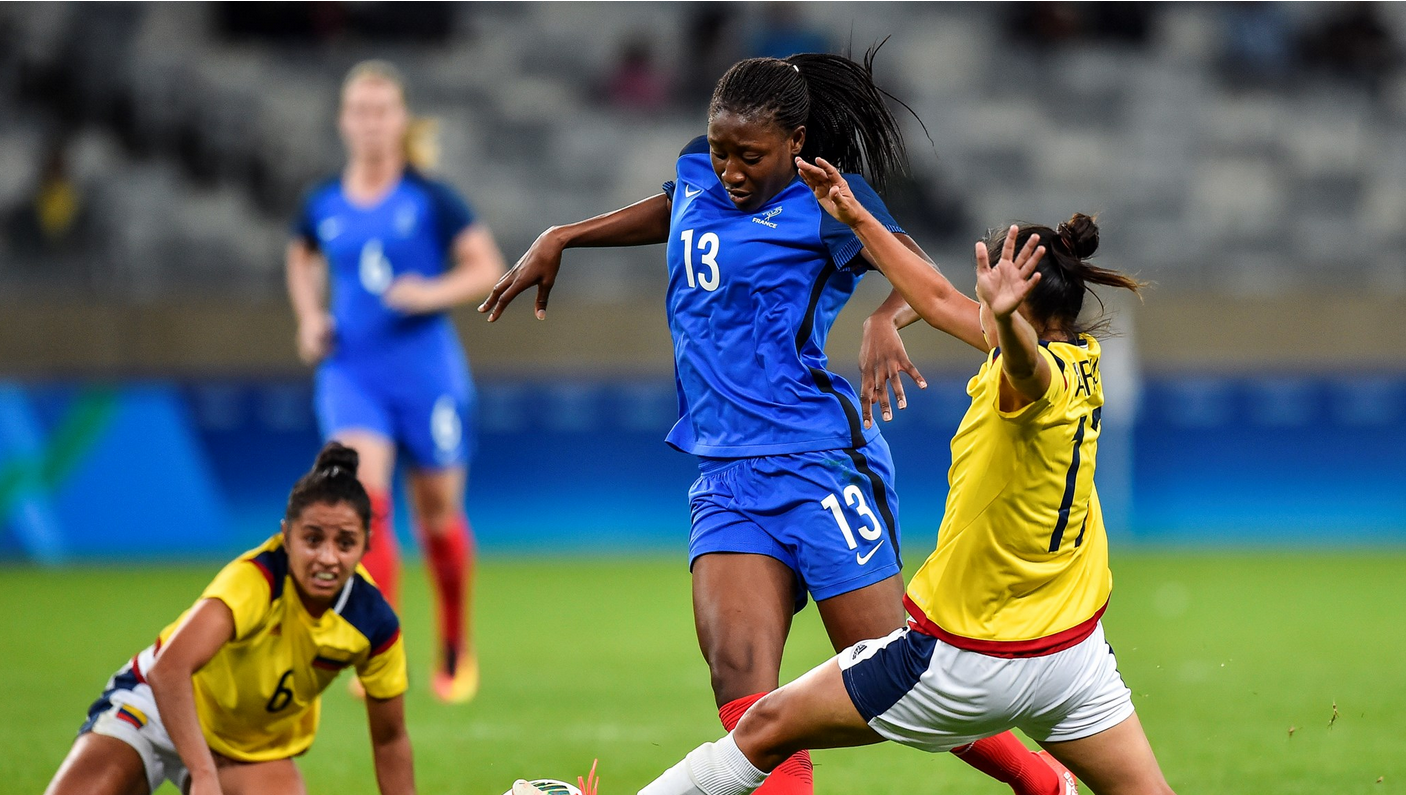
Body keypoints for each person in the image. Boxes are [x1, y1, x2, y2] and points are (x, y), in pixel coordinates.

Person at [480, 51, 1070, 795]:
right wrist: (565, 234)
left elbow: (915, 265)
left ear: (795, 141)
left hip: (816, 460)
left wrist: (888, 315)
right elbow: (679, 208)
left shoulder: (829, 202)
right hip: (724, 473)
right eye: (720, 148)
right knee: (745, 692)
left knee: (899, 680)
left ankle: (1044, 782)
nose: (729, 168)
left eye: (748, 155)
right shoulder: (701, 172)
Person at [633, 159, 1173, 795]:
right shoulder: (1081, 360)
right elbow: (939, 299)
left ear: (1015, 302)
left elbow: (1025, 371)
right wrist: (858, 218)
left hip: (973, 658)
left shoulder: (1031, 374)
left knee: (765, 726)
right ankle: (1048, 783)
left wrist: (1000, 319)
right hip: (1074, 654)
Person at [286, 60, 507, 703]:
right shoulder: (322, 203)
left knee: (438, 519)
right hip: (352, 372)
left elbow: (486, 267)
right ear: (343, 121)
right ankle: (379, 643)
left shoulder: (430, 198)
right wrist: (309, 318)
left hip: (427, 375)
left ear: (400, 121)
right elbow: (300, 255)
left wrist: (429, 291)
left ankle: (455, 646)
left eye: (382, 110)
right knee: (366, 507)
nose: (371, 122)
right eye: (359, 109)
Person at [44, 443, 415, 795]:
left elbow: (390, 738)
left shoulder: (374, 625)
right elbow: (169, 671)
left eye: (345, 543)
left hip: (246, 749)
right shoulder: (256, 581)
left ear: (367, 543)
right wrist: (204, 775)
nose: (327, 559)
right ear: (286, 536)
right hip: (157, 709)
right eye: (313, 539)